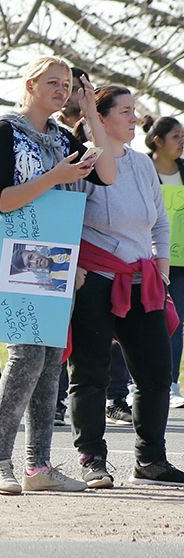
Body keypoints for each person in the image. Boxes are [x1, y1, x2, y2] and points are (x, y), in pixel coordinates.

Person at [0, 55, 117, 495]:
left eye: (67, 84)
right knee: (25, 357)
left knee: (51, 359)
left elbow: (106, 173)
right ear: (30, 84)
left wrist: (91, 114)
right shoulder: (4, 129)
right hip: (12, 251)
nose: (60, 89)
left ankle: (39, 466)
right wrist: (54, 176)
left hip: (55, 256)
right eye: (51, 82)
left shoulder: (62, 135)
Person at [67, 87, 184, 488]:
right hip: (95, 279)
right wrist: (77, 266)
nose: (135, 119)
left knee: (156, 372)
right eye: (126, 112)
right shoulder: (82, 161)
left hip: (143, 280)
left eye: (135, 112)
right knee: (90, 373)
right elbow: (64, 218)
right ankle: (91, 460)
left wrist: (162, 267)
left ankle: (150, 460)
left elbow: (160, 222)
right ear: (100, 118)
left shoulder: (141, 164)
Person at [144, 116, 184, 408]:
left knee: (175, 321)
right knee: (145, 321)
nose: (182, 142)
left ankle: (170, 383)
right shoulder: (142, 169)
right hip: (146, 259)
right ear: (158, 140)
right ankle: (137, 381)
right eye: (176, 136)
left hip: (181, 261)